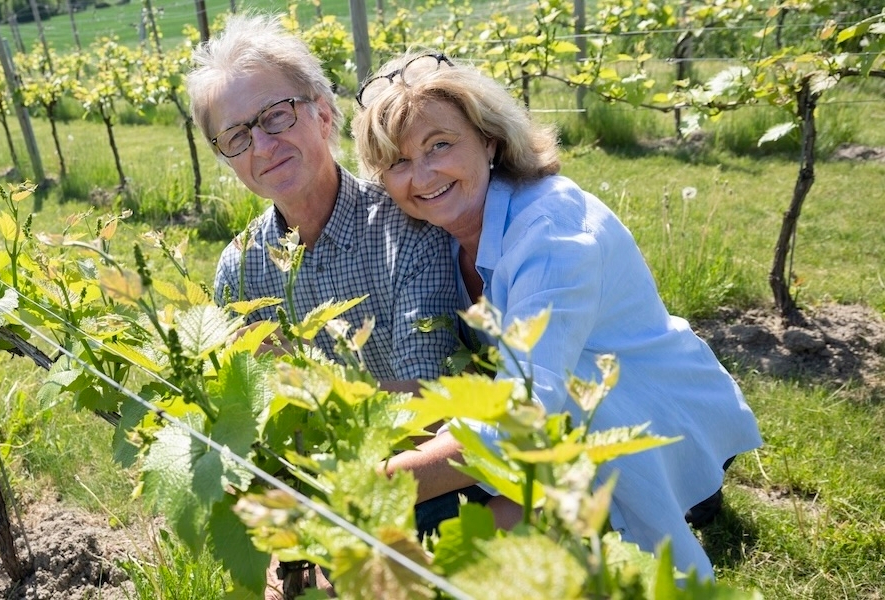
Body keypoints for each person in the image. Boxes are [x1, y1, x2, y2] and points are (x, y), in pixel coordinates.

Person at [351, 51, 763, 579]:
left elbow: (521, 416)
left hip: (650, 413)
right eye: (398, 162)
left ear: (489, 140)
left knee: (450, 548)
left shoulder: (552, 234)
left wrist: (368, 488)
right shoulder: (440, 234)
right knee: (440, 532)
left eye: (440, 145)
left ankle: (688, 490)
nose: (423, 174)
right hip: (563, 418)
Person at [186, 15, 462, 393]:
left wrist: (310, 385)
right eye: (236, 136)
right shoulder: (240, 270)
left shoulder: (409, 233)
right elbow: (241, 401)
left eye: (276, 116)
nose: (262, 147)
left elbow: (429, 401)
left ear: (324, 116)